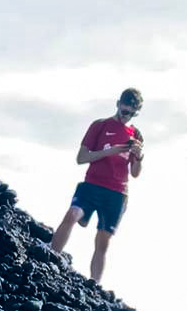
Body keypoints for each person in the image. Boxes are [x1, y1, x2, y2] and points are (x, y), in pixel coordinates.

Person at [50, 89, 144, 283]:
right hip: (92, 184)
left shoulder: (136, 135)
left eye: (131, 114)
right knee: (72, 214)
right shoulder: (100, 126)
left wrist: (139, 157)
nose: (126, 117)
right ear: (118, 104)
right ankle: (50, 257)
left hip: (117, 193)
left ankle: (94, 284)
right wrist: (110, 151)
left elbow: (135, 173)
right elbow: (81, 158)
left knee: (103, 241)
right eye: (124, 111)